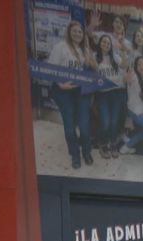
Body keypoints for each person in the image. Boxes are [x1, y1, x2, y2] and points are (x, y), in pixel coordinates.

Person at [46, 21, 96, 169]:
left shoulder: (83, 50)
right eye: (74, 31)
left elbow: (92, 71)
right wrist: (61, 84)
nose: (77, 34)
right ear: (68, 32)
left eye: (80, 32)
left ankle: (86, 152)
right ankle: (75, 154)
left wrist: (89, 57)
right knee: (69, 127)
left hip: (80, 91)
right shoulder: (60, 47)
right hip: (63, 91)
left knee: (84, 125)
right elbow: (49, 69)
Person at [92, 34, 125, 159]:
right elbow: (91, 72)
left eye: (108, 43)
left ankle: (113, 143)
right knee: (105, 122)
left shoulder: (115, 57)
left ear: (111, 46)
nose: (106, 44)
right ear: (100, 43)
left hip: (116, 93)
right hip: (102, 94)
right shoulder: (95, 57)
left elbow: (125, 66)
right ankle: (102, 143)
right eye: (104, 42)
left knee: (114, 122)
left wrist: (122, 52)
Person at [120, 55, 143, 156]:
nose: (141, 66)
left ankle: (127, 145)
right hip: (135, 111)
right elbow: (127, 80)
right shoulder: (134, 75)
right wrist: (128, 76)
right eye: (139, 64)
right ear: (135, 66)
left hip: (142, 110)